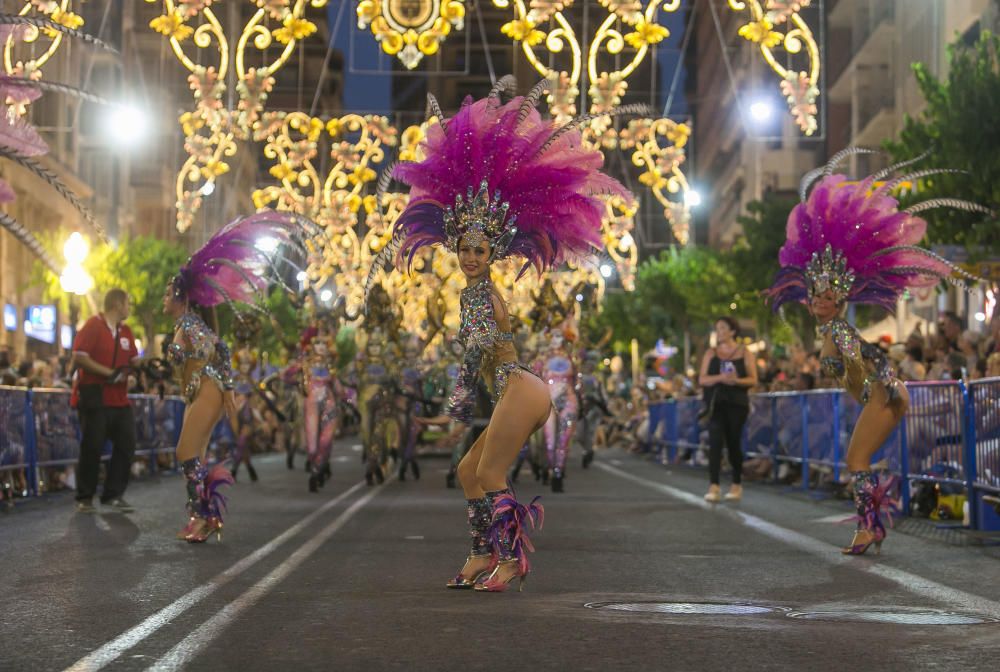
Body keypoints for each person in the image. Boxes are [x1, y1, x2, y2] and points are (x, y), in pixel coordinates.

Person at [374, 79, 634, 591]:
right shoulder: (474, 294)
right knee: (471, 474)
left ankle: (512, 561)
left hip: (520, 388)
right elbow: (473, 359)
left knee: (490, 476)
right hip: (513, 389)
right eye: (464, 249)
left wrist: (451, 410)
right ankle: (478, 555)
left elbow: (476, 357)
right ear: (455, 249)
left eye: (479, 249)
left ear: (491, 253)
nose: (471, 256)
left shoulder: (481, 296)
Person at [767, 149, 988, 555]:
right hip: (881, 395)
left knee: (856, 459)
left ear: (840, 300)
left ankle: (868, 528)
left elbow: (873, 357)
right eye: (816, 294)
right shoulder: (829, 329)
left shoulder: (838, 329)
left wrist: (884, 387)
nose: (820, 300)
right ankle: (869, 527)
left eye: (829, 295)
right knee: (858, 460)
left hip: (884, 394)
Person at [163, 211, 310, 543]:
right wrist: (226, 385)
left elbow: (215, 352)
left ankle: (202, 516)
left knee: (185, 453)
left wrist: (223, 386)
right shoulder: (190, 325)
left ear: (181, 297)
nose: (163, 298)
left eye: (167, 292)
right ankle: (204, 517)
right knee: (193, 454)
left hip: (206, 390)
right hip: (202, 390)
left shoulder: (188, 325)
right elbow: (223, 350)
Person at [71, 288, 141, 514]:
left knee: (127, 443)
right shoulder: (93, 325)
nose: (129, 308)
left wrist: (132, 375)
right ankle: (84, 498)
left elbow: (134, 362)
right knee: (92, 446)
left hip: (120, 399)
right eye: (127, 303)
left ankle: (113, 494)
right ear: (118, 304)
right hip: (96, 396)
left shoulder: (127, 332)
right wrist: (109, 373)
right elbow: (79, 356)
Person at [698, 316, 757, 502]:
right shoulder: (711, 353)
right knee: (714, 442)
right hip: (716, 404)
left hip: (737, 404)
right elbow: (702, 379)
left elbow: (753, 379)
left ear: (732, 331)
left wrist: (736, 380)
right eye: (717, 328)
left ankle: (736, 484)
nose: (719, 332)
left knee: (733, 443)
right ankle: (713, 486)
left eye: (723, 328)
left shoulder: (744, 352)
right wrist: (720, 378)